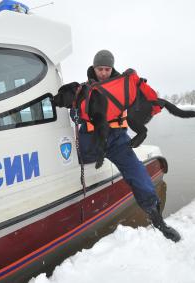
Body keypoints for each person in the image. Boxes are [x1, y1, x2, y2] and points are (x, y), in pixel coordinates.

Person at [73, 50, 181, 242]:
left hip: (117, 139)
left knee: (138, 173)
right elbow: (74, 108)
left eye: (107, 69)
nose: (104, 73)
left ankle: (157, 220)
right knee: (82, 161)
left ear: (112, 68)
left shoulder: (124, 87)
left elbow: (140, 104)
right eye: (100, 69)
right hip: (92, 138)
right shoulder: (84, 89)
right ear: (94, 68)